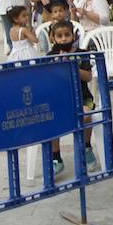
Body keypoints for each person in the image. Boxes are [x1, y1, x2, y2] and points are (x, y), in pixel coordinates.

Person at [44, 19, 98, 174]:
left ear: (73, 35)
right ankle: (56, 157)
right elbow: (48, 80)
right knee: (52, 120)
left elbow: (88, 77)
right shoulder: (50, 56)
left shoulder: (82, 54)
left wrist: (71, 66)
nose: (63, 39)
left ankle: (86, 147)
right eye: (59, 36)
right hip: (59, 99)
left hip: (82, 97)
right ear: (53, 38)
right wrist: (57, 66)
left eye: (66, 35)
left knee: (86, 116)